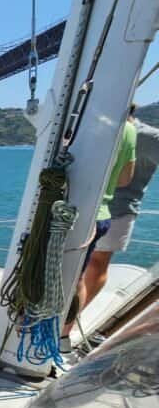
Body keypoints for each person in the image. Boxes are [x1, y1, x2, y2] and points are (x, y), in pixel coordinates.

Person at [64, 117, 138, 340]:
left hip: (67, 211)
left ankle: (27, 331)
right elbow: (124, 179)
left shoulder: (81, 116)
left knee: (50, 275)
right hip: (100, 216)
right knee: (76, 279)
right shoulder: (129, 130)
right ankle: (62, 337)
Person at [87, 113, 158, 306]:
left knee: (96, 265)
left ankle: (72, 317)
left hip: (119, 211)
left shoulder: (149, 137)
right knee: (75, 264)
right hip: (85, 207)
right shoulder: (95, 125)